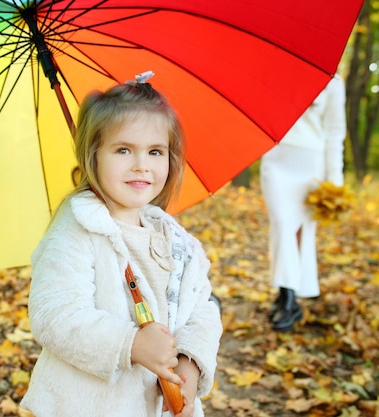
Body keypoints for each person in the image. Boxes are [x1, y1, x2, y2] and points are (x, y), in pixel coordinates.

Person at [20, 72, 222, 417]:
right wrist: (130, 343)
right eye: (123, 149)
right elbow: (54, 315)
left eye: (155, 151)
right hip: (90, 405)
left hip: (163, 404)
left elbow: (202, 306)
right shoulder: (78, 229)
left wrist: (190, 363)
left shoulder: (172, 237)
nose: (141, 165)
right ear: (94, 154)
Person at [260, 75, 347, 332]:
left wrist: (335, 182)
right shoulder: (277, 74)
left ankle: (287, 295)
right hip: (275, 159)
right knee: (281, 223)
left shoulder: (334, 83)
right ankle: (287, 293)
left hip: (310, 164)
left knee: (299, 229)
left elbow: (334, 134)